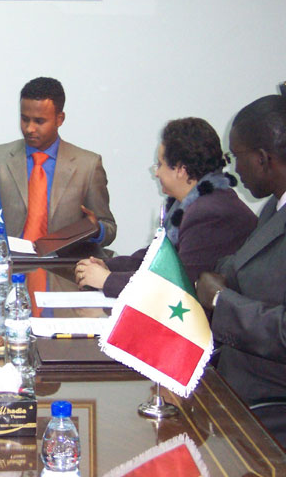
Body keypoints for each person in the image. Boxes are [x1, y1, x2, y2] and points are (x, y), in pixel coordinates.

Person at [75, 118, 257, 297]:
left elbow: (178, 284)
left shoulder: (210, 213)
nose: (156, 173)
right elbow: (154, 258)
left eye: (160, 164)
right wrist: (108, 266)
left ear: (180, 169)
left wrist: (108, 280)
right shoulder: (194, 204)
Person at [196, 95, 286, 446]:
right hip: (234, 381)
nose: (234, 170)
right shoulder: (274, 208)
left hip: (268, 405)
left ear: (263, 159)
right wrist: (218, 278)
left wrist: (222, 300)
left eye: (236, 157)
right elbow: (241, 264)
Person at [0, 77, 116, 246]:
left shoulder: (87, 166)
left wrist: (96, 229)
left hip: (63, 261)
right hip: (8, 259)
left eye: (39, 121)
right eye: (25, 119)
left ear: (59, 119)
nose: (29, 128)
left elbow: (109, 228)